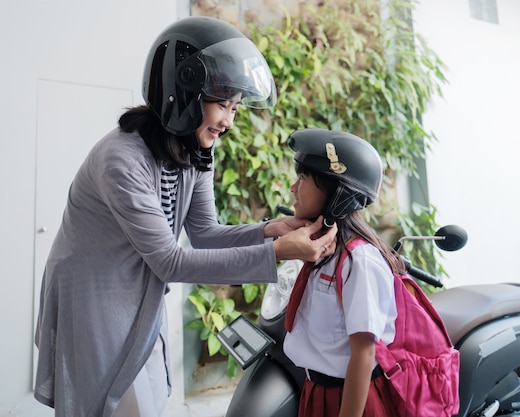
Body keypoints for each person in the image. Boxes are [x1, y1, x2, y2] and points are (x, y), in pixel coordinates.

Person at [33, 17, 337, 417]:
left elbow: (205, 233)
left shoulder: (193, 152)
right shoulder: (121, 160)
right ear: (184, 94)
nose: (228, 121)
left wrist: (269, 230)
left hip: (135, 290)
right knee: (112, 402)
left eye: (234, 108)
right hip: (94, 297)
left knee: (149, 395)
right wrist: (277, 252)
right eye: (222, 105)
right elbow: (169, 261)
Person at [282, 128, 404, 417]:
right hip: (316, 392)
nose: (292, 188)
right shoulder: (323, 251)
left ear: (338, 192)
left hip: (348, 400)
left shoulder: (359, 260)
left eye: (303, 179)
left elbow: (364, 353)